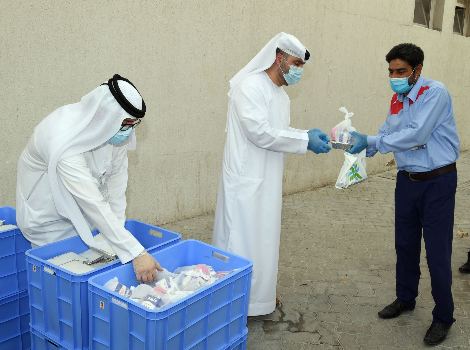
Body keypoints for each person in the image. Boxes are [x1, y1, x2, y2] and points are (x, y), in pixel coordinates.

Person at [212, 32, 331, 317]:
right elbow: (259, 133)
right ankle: (233, 303)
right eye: (296, 63)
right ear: (279, 58)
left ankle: (260, 297)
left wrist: (304, 135)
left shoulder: (280, 96)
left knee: (265, 241)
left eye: (302, 65)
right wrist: (304, 142)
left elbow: (279, 132)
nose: (299, 70)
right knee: (240, 241)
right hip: (246, 182)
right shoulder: (250, 86)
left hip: (268, 181)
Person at [348, 43, 460, 346]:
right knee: (405, 244)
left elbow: (417, 134)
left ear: (418, 70)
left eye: (401, 71)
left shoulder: (435, 93)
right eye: (391, 71)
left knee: (437, 252)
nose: (394, 77)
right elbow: (388, 133)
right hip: (407, 182)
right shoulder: (398, 99)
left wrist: (373, 141)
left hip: (437, 181)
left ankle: (444, 316)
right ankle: (405, 298)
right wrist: (361, 144)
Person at [16, 74, 161, 282]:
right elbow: (90, 199)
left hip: (87, 216)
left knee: (93, 276)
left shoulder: (115, 133)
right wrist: (135, 252)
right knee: (59, 280)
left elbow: (116, 188)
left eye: (134, 124)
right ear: (108, 115)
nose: (129, 130)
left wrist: (119, 239)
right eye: (127, 123)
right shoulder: (62, 138)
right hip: (48, 221)